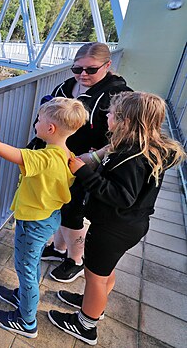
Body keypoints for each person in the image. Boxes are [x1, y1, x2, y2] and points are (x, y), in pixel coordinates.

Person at [48, 92, 186, 345]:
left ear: (125, 121)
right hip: (127, 226)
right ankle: (93, 304)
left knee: (96, 277)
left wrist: (84, 174)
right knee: (102, 272)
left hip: (114, 227)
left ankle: (85, 325)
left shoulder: (131, 158)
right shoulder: (138, 148)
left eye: (111, 114)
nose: (107, 116)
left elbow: (122, 196)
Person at [0, 92, 87, 338]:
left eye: (38, 119)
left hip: (34, 223)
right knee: (27, 265)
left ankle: (26, 320)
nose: (35, 123)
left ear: (50, 128)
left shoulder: (43, 158)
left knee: (27, 270)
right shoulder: (67, 155)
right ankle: (22, 297)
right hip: (48, 216)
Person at [37, 42, 133, 283]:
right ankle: (59, 250)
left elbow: (124, 138)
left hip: (85, 165)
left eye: (91, 70)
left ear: (108, 65)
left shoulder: (118, 95)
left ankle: (76, 259)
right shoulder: (66, 87)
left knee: (73, 211)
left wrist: (94, 157)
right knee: (61, 206)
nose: (83, 75)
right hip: (59, 161)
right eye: (77, 69)